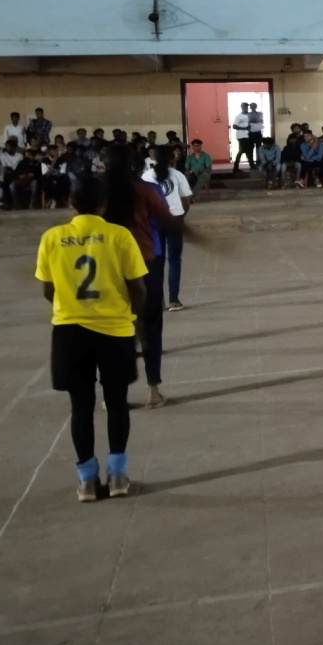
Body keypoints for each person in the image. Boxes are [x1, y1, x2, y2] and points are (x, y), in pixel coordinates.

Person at [36, 176, 149, 502]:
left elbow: (48, 289)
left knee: (81, 407)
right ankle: (117, 476)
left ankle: (87, 480)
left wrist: (71, 307)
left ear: (70, 202)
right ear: (104, 204)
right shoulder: (119, 236)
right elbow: (138, 288)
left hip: (70, 331)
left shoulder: (52, 238)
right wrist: (135, 321)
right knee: (117, 403)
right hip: (114, 329)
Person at [104, 144, 181, 408]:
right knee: (150, 327)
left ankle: (115, 393)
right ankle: (153, 390)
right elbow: (166, 220)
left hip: (110, 266)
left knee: (114, 329)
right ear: (135, 165)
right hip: (147, 262)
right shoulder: (147, 190)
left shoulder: (99, 191)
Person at [142, 145, 193, 312]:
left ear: (154, 158)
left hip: (154, 221)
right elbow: (186, 199)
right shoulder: (177, 175)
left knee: (157, 262)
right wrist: (181, 215)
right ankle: (174, 300)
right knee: (174, 259)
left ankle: (159, 301)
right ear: (172, 158)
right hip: (174, 219)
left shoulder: (147, 176)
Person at [232, 102, 256, 171]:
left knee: (247, 150)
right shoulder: (239, 116)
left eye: (247, 107)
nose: (246, 108)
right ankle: (250, 165)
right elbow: (234, 126)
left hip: (248, 136)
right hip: (242, 136)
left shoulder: (249, 115)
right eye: (244, 107)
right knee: (244, 150)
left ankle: (250, 165)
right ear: (242, 107)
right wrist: (244, 128)